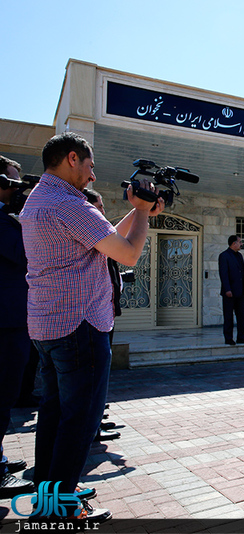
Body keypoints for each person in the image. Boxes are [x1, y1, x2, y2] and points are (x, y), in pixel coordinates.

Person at [20, 132, 164, 521]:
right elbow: (129, 253)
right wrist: (145, 214)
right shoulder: (68, 204)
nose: (93, 175)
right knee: (80, 419)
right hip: (79, 328)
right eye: (89, 165)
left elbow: (101, 238)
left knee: (53, 416)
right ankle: (59, 513)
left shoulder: (41, 198)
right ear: (71, 158)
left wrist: (136, 211)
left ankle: (48, 500)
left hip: (49, 327)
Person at [0, 155, 35, 498]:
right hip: (6, 320)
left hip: (12, 318)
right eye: (12, 182)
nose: (17, 189)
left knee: (6, 394)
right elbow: (22, 253)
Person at [83, 189, 124, 442]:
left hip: (106, 314)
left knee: (99, 377)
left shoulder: (102, 236)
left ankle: (96, 419)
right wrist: (140, 211)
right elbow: (126, 251)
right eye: (99, 207)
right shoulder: (92, 236)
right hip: (92, 318)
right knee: (90, 377)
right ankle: (91, 427)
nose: (103, 213)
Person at [218, 235, 244, 345]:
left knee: (241, 315)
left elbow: (243, 273)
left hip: (241, 291)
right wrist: (227, 289)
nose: (241, 244)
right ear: (234, 243)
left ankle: (242, 336)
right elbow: (224, 274)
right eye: (240, 242)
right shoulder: (224, 256)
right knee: (228, 316)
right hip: (230, 292)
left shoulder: (239, 256)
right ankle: (228, 338)